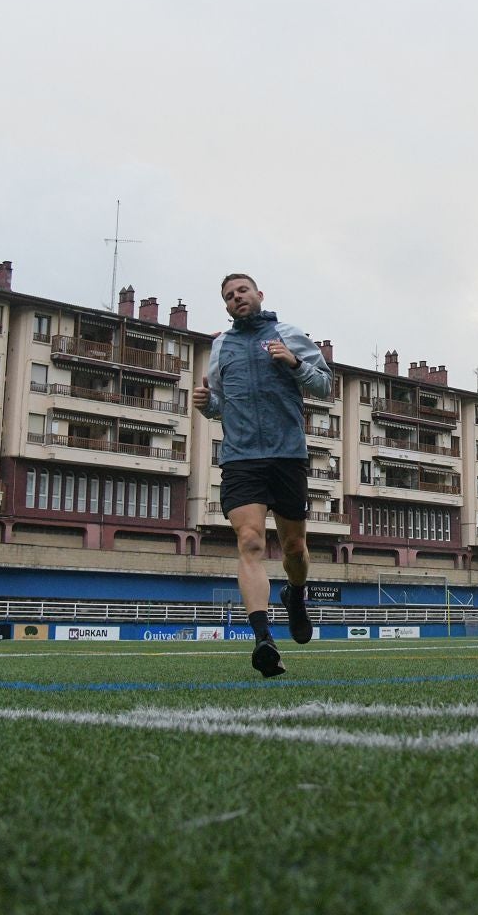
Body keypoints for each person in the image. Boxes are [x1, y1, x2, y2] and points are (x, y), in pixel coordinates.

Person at [192, 272, 333, 677]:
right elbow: (222, 404)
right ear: (226, 305)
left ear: (259, 295)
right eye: (229, 295)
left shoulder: (290, 333)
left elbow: (325, 385)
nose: (237, 298)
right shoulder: (221, 346)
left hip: (287, 455)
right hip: (241, 459)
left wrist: (293, 363)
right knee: (249, 540)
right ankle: (263, 640)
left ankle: (296, 593)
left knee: (294, 549)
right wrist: (206, 403)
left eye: (242, 291)